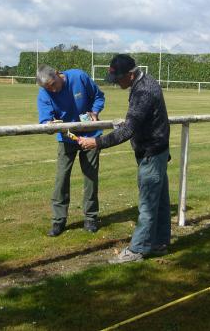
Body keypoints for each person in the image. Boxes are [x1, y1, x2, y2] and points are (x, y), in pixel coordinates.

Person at [78, 54, 171, 263]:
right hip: (158, 150)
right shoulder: (144, 84)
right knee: (161, 201)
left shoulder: (144, 91)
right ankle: (160, 243)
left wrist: (97, 142)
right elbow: (141, 122)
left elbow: (129, 129)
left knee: (147, 203)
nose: (116, 83)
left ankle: (137, 250)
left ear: (130, 74)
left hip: (152, 153)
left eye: (118, 78)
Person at [37, 64, 105, 237]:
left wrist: (95, 112)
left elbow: (98, 96)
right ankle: (58, 221)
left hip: (91, 135)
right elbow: (45, 119)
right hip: (66, 138)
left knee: (90, 177)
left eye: (53, 84)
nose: (52, 90)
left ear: (59, 74)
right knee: (61, 178)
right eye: (47, 87)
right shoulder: (45, 92)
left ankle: (90, 218)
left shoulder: (79, 77)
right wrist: (49, 125)